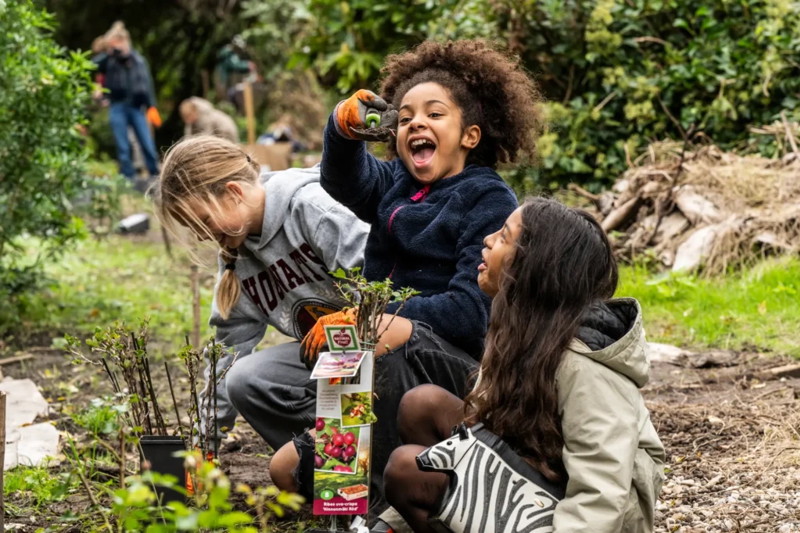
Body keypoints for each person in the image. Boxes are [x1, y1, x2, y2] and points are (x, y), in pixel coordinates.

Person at [268, 39, 543, 529]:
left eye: (434, 114)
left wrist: (391, 324)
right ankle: (342, 498)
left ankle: (373, 510)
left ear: (470, 136)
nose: (416, 122)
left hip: (457, 363)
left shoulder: (486, 197)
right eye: (407, 116)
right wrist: (341, 129)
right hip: (381, 346)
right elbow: (343, 180)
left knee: (378, 351)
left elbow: (470, 309)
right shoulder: (395, 183)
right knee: (285, 470)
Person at [382, 198, 666, 533]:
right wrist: (387, 526)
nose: (487, 240)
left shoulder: (584, 363)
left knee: (405, 470)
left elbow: (602, 487)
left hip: (590, 516)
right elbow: (476, 439)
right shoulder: (522, 335)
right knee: (423, 405)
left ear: (535, 267)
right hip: (534, 484)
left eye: (504, 237)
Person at [154, 135, 370, 452]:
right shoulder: (236, 257)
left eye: (202, 221)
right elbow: (226, 357)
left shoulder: (312, 209)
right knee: (243, 378)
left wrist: (353, 317)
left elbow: (391, 286)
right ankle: (329, 461)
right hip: (336, 369)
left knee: (340, 348)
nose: (201, 236)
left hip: (390, 355)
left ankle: (373, 452)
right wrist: (203, 446)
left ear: (233, 193)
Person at [92, 21, 161, 185]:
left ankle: (155, 174)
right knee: (123, 144)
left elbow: (147, 83)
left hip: (137, 107)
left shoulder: (138, 61)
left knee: (146, 142)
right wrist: (110, 53)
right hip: (117, 106)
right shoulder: (109, 61)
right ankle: (128, 177)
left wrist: (152, 106)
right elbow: (92, 64)